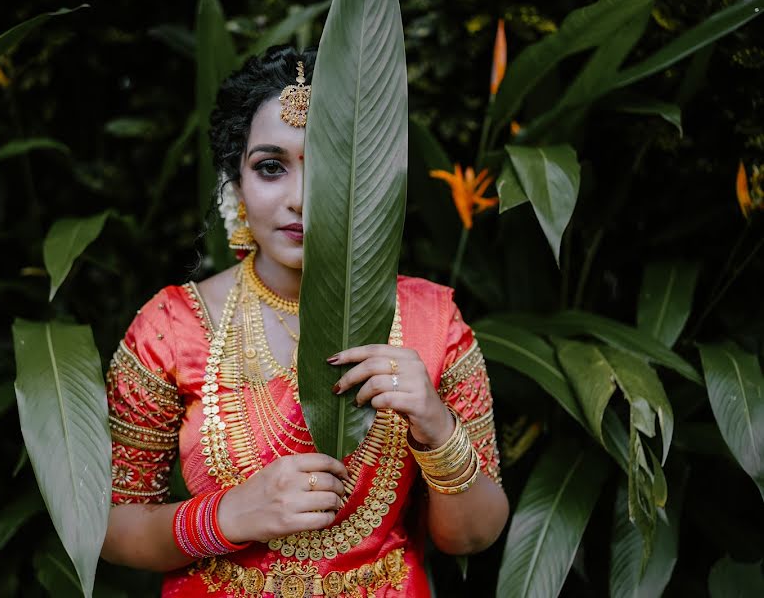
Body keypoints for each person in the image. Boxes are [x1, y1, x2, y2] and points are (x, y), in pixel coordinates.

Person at [100, 45, 509, 597]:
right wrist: (228, 516)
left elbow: (471, 537)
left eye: (331, 167)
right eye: (271, 168)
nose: (300, 200)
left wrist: (435, 424)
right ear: (235, 184)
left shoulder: (432, 322)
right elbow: (109, 528)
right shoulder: (170, 329)